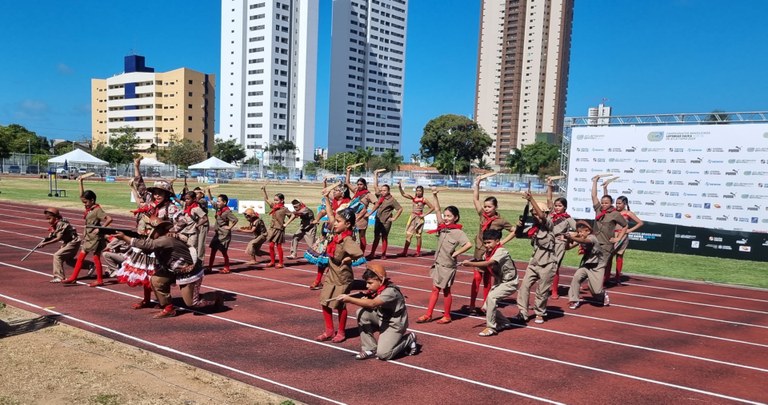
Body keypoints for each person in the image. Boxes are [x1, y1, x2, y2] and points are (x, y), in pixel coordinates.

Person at [114, 217, 224, 319]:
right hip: (173, 270)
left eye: (151, 229)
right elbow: (147, 248)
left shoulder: (165, 240)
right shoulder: (162, 240)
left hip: (189, 272)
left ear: (158, 230)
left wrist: (124, 237)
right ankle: (169, 308)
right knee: (156, 280)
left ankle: (216, 297)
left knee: (193, 303)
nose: (148, 231)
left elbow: (148, 245)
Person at [336, 263, 419, 360]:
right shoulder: (377, 289)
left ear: (381, 281)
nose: (367, 286)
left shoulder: (390, 292)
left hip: (394, 324)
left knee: (383, 355)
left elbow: (372, 304)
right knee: (362, 313)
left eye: (370, 283)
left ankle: (409, 338)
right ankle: (370, 348)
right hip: (382, 317)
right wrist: (363, 298)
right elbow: (371, 303)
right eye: (366, 282)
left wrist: (349, 299)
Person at [414, 188, 472, 324]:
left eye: (449, 216)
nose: (446, 218)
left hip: (448, 265)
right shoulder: (442, 227)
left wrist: (457, 253)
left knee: (446, 290)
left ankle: (447, 315)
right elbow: (437, 210)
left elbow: (468, 244)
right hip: (438, 263)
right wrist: (435, 196)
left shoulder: (458, 232)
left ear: (455, 218)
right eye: (445, 216)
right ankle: (428, 314)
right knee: (435, 288)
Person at [515, 191, 568, 324]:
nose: (535, 217)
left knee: (542, 291)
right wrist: (519, 227)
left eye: (536, 214)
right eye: (533, 215)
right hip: (534, 262)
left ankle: (539, 312)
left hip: (548, 262)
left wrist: (531, 198)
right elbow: (518, 235)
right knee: (524, 287)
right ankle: (523, 312)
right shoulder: (534, 228)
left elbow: (542, 217)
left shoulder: (549, 224)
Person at [316, 200, 365, 344]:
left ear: (347, 224)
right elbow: (331, 215)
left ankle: (342, 332)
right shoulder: (336, 234)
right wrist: (326, 198)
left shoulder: (347, 239)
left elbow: (359, 253)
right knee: (324, 302)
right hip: (332, 274)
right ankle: (329, 331)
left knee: (339, 304)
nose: (335, 223)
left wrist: (348, 258)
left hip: (342, 276)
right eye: (335, 221)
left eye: (338, 221)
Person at [467, 172, 516, 314]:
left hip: (491, 253)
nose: (486, 209)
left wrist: (502, 242)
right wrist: (477, 183)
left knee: (487, 280)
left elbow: (514, 230)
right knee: (476, 278)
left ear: (495, 207)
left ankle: (485, 305)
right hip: (479, 249)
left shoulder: (501, 220)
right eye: (485, 206)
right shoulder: (482, 214)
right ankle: (471, 305)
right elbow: (475, 199)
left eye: (489, 207)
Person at [461, 229, 519, 336]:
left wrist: (471, 264)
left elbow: (490, 263)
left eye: (489, 242)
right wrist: (469, 262)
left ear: (497, 241)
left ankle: (491, 327)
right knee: (486, 307)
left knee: (492, 298)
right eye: (485, 243)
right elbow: (481, 261)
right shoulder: (488, 252)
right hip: (499, 282)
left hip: (510, 282)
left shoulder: (501, 252)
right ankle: (504, 321)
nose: (487, 245)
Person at [62, 177, 112, 286]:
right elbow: (82, 196)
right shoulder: (89, 208)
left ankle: (99, 280)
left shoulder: (98, 210)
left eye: (86, 202)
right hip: (89, 237)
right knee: (81, 257)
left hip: (96, 238)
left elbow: (109, 219)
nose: (84, 204)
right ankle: (73, 277)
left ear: (92, 200)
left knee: (96, 257)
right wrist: (80, 182)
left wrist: (100, 228)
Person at [602, 179, 644, 285]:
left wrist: (629, 230)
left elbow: (640, 223)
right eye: (616, 203)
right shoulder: (613, 211)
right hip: (612, 234)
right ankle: (606, 277)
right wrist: (605, 188)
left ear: (625, 204)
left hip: (622, 236)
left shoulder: (628, 213)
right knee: (609, 255)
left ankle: (617, 277)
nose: (617, 205)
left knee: (619, 256)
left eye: (620, 203)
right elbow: (606, 201)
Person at [590, 175, 627, 289]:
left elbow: (625, 226)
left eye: (606, 203)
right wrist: (595, 181)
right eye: (603, 202)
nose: (604, 204)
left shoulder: (615, 214)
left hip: (606, 244)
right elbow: (593, 195)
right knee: (592, 264)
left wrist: (618, 238)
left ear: (611, 203)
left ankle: (598, 286)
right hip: (595, 242)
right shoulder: (598, 209)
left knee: (602, 266)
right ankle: (593, 283)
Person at [565, 220, 609, 309]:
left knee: (596, 291)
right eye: (578, 232)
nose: (579, 233)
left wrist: (572, 237)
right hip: (587, 264)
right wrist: (568, 239)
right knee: (576, 278)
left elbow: (585, 241)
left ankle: (603, 294)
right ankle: (574, 300)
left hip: (597, 265)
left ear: (588, 231)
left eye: (581, 231)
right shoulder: (580, 238)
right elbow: (567, 248)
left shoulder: (592, 238)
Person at [547, 177, 576, 299]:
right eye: (556, 205)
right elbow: (549, 199)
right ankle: (545, 287)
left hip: (559, 243)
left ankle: (554, 291)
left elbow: (578, 231)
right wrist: (549, 186)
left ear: (565, 207)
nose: (557, 207)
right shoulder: (550, 214)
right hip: (547, 242)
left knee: (555, 266)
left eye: (560, 206)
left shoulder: (568, 218)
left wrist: (568, 239)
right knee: (545, 265)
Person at [364, 169, 403, 260]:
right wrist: (376, 175)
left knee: (384, 237)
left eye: (384, 190)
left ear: (388, 191)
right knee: (376, 237)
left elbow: (400, 209)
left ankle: (383, 254)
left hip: (386, 221)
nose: (382, 192)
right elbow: (375, 186)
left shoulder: (392, 200)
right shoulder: (380, 196)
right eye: (382, 190)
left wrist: (394, 218)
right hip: (378, 220)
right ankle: (372, 253)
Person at [39, 207, 83, 283]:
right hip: (68, 242)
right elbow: (53, 235)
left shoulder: (60, 223)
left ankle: (59, 276)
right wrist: (47, 239)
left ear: (55, 217)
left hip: (73, 241)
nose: (48, 221)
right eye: (47, 219)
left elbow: (58, 238)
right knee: (69, 261)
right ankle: (90, 265)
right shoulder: (56, 224)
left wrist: (45, 244)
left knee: (57, 256)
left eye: (49, 218)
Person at [398, 182, 435, 257]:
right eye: (417, 190)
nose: (418, 192)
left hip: (419, 219)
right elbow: (403, 194)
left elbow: (432, 207)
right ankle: (404, 252)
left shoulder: (424, 200)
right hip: (412, 217)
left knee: (418, 236)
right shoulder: (413, 198)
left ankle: (418, 252)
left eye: (420, 191)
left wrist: (424, 214)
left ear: (422, 192)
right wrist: (399, 186)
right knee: (408, 235)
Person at [207, 193, 238, 273]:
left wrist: (230, 227)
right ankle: (209, 267)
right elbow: (211, 201)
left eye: (219, 201)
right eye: (217, 201)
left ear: (224, 202)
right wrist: (209, 192)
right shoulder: (218, 208)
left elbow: (235, 220)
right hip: (217, 233)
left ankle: (227, 268)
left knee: (223, 251)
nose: (217, 203)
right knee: (213, 250)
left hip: (224, 234)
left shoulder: (227, 211)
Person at [346, 165, 374, 251]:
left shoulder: (368, 194)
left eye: (361, 184)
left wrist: (370, 213)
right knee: (350, 234)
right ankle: (352, 251)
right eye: (358, 184)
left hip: (362, 217)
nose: (359, 186)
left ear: (365, 185)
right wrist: (348, 172)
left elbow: (377, 203)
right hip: (352, 216)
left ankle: (361, 253)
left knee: (361, 235)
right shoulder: (355, 191)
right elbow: (347, 183)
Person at [262, 186, 289, 268]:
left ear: (282, 200)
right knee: (270, 245)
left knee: (279, 246)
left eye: (277, 200)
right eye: (275, 200)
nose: (275, 201)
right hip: (272, 228)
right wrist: (264, 190)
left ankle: (281, 262)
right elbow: (266, 199)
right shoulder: (274, 206)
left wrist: (286, 223)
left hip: (279, 228)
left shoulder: (284, 209)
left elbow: (293, 215)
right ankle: (272, 261)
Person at [193, 187, 210, 265]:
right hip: (196, 223)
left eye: (197, 193)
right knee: (194, 243)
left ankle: (200, 263)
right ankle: (195, 261)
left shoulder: (203, 200)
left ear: (202, 194)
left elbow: (198, 203)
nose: (195, 195)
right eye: (194, 193)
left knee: (201, 244)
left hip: (203, 223)